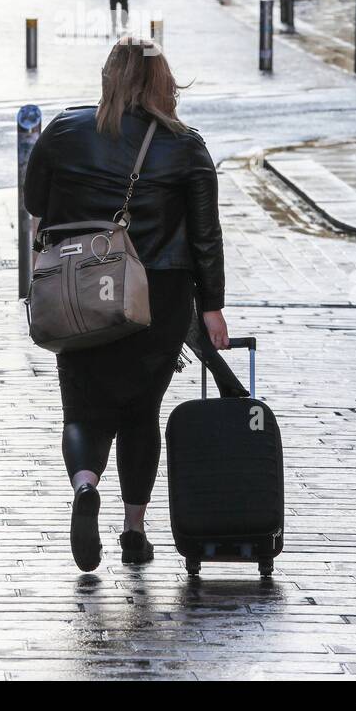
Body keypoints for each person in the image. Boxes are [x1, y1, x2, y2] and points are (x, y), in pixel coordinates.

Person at [23, 36, 228, 572]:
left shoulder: (65, 132)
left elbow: (34, 203)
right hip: (155, 299)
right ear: (163, 82)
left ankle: (85, 486)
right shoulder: (186, 146)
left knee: (83, 407)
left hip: (80, 290)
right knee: (140, 411)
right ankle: (134, 532)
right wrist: (212, 307)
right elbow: (206, 235)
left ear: (109, 76)